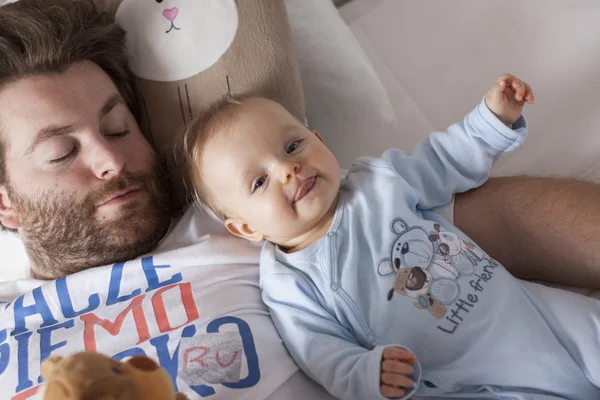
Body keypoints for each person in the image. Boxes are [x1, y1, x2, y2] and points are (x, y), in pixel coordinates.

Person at [0, 0, 599, 399]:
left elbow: (498, 219)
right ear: (6, 205)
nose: (109, 159)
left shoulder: (250, 228)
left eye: (118, 127)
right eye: (59, 153)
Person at [182, 81, 600, 400]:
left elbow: (443, 161)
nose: (288, 169)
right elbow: (321, 353)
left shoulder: (377, 182)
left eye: (293, 145)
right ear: (246, 229)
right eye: (259, 181)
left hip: (526, 310)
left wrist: (491, 120)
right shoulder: (289, 282)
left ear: (320, 141)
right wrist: (368, 372)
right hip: (468, 378)